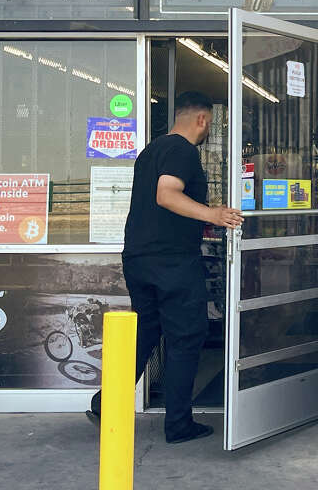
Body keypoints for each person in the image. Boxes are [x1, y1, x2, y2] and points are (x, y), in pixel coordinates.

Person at [88, 91, 243, 444]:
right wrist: (213, 214)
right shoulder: (183, 150)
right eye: (208, 124)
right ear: (202, 119)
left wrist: (202, 211)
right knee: (187, 336)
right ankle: (178, 424)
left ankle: (105, 403)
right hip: (171, 261)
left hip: (140, 259)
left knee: (145, 333)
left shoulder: (151, 151)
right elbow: (166, 194)